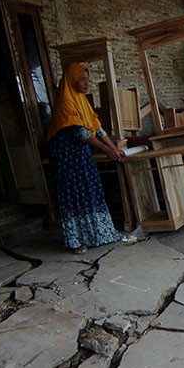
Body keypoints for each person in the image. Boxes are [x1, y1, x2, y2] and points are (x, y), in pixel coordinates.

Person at [46, 63, 126, 254]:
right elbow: (80, 132)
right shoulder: (66, 101)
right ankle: (76, 241)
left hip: (81, 155)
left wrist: (115, 148)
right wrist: (107, 150)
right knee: (75, 194)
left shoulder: (82, 100)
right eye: (82, 79)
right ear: (72, 80)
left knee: (90, 189)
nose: (86, 83)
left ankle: (100, 234)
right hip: (66, 157)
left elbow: (96, 127)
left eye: (87, 79)